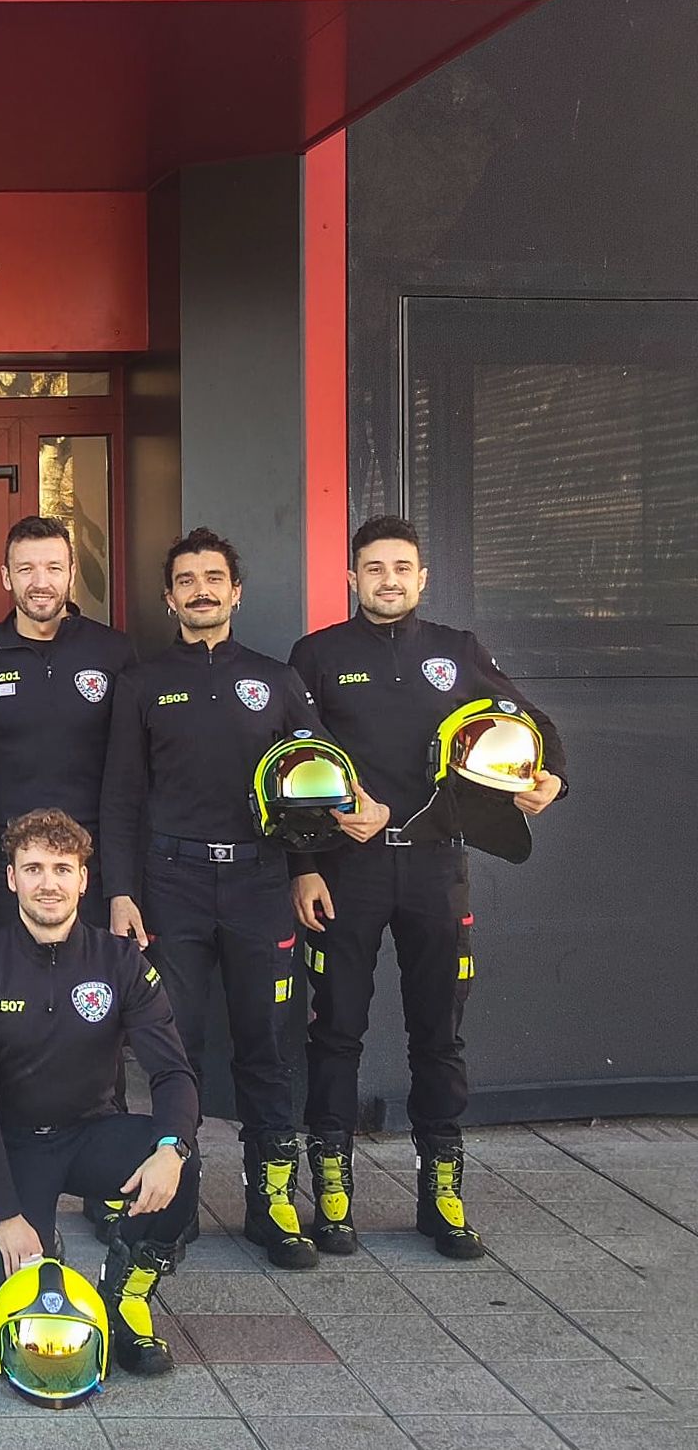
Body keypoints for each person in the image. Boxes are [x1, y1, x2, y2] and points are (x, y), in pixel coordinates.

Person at [290, 515, 568, 1257]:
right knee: (335, 1029)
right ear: (351, 577)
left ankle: (441, 1191)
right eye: (373, 567)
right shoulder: (316, 656)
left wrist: (550, 777)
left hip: (437, 864)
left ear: (421, 577)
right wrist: (305, 862)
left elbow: (530, 722)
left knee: (438, 1034)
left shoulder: (458, 652)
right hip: (347, 870)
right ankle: (333, 1190)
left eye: (401, 567)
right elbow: (293, 760)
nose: (388, 579)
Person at [98, 527, 343, 1268]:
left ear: (236, 591)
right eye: (186, 580)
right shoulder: (142, 682)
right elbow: (120, 798)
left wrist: (306, 867)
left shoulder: (276, 680)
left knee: (268, 1044)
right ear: (168, 596)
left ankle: (272, 1202)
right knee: (175, 1048)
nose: (200, 590)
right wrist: (120, 892)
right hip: (171, 885)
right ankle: (174, 1202)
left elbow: (314, 780)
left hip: (261, 883)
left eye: (214, 578)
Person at [0, 808, 199, 1379]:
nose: (48, 883)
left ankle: (125, 1294)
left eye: (63, 868)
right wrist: (5, 1213)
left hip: (92, 1134)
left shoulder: (122, 962)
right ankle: (31, 1241)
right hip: (15, 1149)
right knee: (9, 1315)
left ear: (84, 879)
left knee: (182, 1166)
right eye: (33, 868)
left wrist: (170, 1148)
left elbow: (172, 1074)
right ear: (11, 878)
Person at [0, 516, 137, 931]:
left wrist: (123, 885)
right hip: (4, 862)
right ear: (5, 576)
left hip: (92, 860)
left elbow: (130, 773)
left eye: (53, 568)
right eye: (25, 569)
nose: (40, 582)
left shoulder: (114, 651)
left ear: (71, 573)